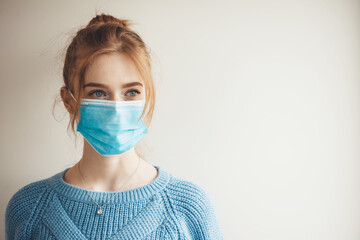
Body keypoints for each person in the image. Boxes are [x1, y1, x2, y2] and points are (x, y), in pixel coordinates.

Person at [5, 13, 224, 240]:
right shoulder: (28, 208)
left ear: (148, 95)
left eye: (131, 92)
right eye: (98, 93)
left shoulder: (188, 208)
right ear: (69, 101)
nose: (117, 109)